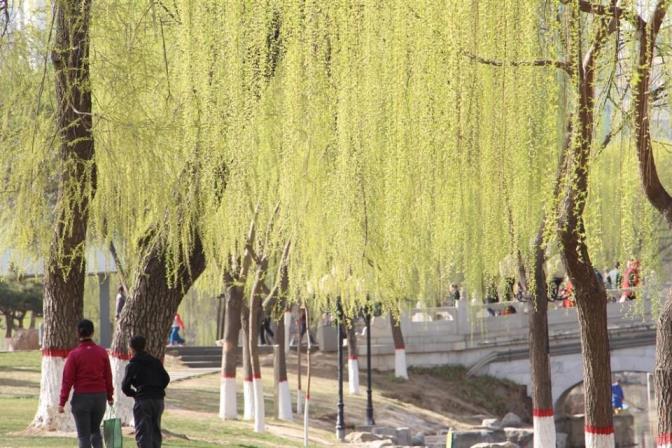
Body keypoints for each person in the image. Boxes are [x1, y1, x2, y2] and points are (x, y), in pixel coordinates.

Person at [58, 319, 114, 448]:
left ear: (77, 333)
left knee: (84, 436)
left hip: (82, 398)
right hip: (100, 397)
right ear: (92, 332)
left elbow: (67, 380)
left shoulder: (74, 355)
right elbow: (108, 376)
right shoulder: (102, 352)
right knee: (95, 432)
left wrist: (62, 402)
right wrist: (109, 397)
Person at [122, 335, 170, 448]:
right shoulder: (156, 362)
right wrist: (157, 389)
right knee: (155, 432)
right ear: (145, 346)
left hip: (143, 400)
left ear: (131, 348)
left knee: (143, 433)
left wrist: (135, 394)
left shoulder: (132, 365)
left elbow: (125, 387)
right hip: (158, 400)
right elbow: (166, 379)